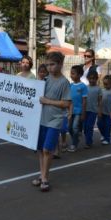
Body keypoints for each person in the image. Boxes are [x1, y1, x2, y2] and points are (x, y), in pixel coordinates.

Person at [32, 52, 71, 191]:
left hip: (55, 120)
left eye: (52, 64)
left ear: (60, 64)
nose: (49, 68)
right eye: (48, 65)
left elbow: (66, 103)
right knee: (41, 150)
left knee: (48, 149)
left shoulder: (64, 82)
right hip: (42, 120)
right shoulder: (45, 80)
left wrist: (47, 101)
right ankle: (42, 175)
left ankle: (45, 178)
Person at [67, 65, 88, 152]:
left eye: (73, 73)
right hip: (70, 111)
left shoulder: (83, 86)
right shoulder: (70, 85)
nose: (71, 75)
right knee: (69, 128)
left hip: (78, 111)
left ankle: (74, 144)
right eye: (71, 73)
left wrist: (83, 113)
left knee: (75, 127)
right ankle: (76, 138)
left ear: (79, 75)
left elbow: (84, 101)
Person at [83, 70, 102, 148]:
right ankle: (88, 140)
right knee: (85, 127)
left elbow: (100, 101)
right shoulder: (85, 88)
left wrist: (99, 111)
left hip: (93, 111)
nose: (92, 80)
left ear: (97, 79)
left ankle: (89, 142)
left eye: (94, 78)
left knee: (89, 126)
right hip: (85, 110)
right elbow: (83, 99)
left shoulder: (98, 89)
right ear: (87, 78)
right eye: (90, 78)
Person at [97, 74, 111, 145]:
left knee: (108, 126)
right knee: (99, 124)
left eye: (107, 84)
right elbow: (99, 100)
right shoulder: (102, 90)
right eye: (104, 84)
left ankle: (107, 139)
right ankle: (103, 135)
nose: (105, 85)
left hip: (109, 112)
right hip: (102, 111)